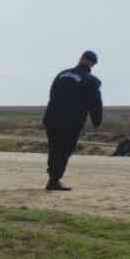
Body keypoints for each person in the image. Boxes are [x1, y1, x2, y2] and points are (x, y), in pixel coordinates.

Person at [41, 51, 103, 192]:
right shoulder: (91, 80)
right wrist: (96, 122)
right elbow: (95, 103)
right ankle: (54, 180)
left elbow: (52, 95)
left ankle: (53, 177)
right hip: (71, 121)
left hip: (52, 118)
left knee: (54, 148)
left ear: (81, 58)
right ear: (93, 63)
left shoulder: (62, 74)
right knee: (64, 150)